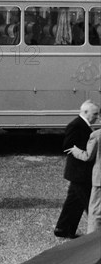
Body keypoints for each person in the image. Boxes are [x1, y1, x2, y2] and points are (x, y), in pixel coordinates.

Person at [55, 100, 99, 238]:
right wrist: (82, 152)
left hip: (78, 172)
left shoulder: (82, 125)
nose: (97, 117)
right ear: (86, 112)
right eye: (95, 114)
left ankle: (63, 229)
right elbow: (67, 146)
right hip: (80, 172)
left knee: (74, 202)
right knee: (90, 204)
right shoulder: (76, 125)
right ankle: (95, 235)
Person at [65, 126, 101, 233]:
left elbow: (88, 156)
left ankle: (93, 241)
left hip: (99, 180)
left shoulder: (97, 135)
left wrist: (75, 150)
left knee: (95, 213)